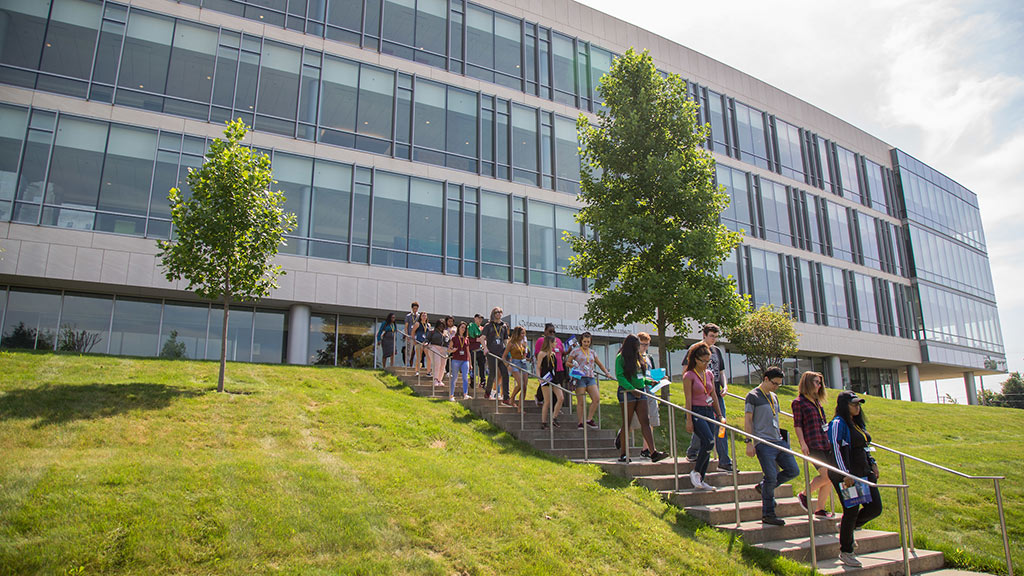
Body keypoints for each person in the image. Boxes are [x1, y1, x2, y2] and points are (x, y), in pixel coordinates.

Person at [829, 391, 882, 568]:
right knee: (851, 511)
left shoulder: (857, 423)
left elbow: (866, 445)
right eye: (853, 404)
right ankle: (846, 550)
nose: (857, 407)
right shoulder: (838, 423)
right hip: (847, 474)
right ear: (844, 405)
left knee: (875, 508)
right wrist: (845, 474)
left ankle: (847, 529)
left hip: (864, 472)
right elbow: (836, 449)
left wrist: (872, 463)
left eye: (858, 404)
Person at [745, 366, 799, 526]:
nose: (776, 387)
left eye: (779, 384)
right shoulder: (753, 396)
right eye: (774, 383)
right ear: (766, 379)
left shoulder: (774, 396)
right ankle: (768, 513)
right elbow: (748, 419)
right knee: (771, 477)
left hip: (778, 440)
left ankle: (763, 488)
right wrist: (750, 442)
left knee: (793, 470)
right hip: (764, 442)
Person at [684, 324, 733, 472]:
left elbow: (721, 372)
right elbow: (687, 370)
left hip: (715, 395)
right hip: (700, 397)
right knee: (704, 430)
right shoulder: (695, 350)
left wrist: (725, 386)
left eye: (716, 336)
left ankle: (724, 460)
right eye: (711, 336)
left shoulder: (717, 351)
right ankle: (693, 451)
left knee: (721, 425)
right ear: (704, 335)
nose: (714, 339)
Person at [614, 334, 668, 463]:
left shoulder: (638, 358)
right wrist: (632, 389)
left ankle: (652, 452)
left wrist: (650, 382)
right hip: (627, 392)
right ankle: (623, 454)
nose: (639, 347)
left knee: (646, 422)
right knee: (627, 422)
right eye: (637, 345)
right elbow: (620, 376)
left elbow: (640, 376)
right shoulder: (620, 358)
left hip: (641, 391)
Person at [792, 371, 834, 518]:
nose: (819, 385)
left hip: (824, 442)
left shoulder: (817, 402)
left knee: (830, 477)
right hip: (812, 443)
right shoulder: (799, 402)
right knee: (826, 474)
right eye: (816, 382)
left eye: (820, 382)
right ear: (808, 383)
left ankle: (820, 509)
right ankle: (804, 494)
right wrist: (802, 443)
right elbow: (797, 425)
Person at [683, 342, 724, 491]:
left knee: (709, 443)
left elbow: (713, 394)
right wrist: (689, 419)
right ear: (695, 359)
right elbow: (687, 399)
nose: (706, 364)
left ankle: (701, 477)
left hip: (709, 411)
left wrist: (719, 414)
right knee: (708, 441)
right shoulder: (689, 375)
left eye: (708, 361)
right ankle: (696, 472)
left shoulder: (709, 374)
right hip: (696, 411)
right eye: (703, 361)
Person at [566, 331, 607, 429]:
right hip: (579, 377)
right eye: (584, 341)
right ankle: (580, 422)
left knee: (596, 398)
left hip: (590, 377)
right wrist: (574, 365)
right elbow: (567, 363)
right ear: (581, 341)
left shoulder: (592, 352)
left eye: (588, 342)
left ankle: (589, 419)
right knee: (581, 401)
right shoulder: (576, 351)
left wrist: (606, 373)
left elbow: (599, 364)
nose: (586, 344)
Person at [536, 335, 565, 430]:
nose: (556, 344)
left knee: (560, 397)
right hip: (546, 378)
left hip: (554, 378)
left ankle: (554, 417)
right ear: (550, 343)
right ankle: (543, 422)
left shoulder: (553, 354)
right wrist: (539, 379)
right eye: (554, 342)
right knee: (547, 401)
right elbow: (538, 367)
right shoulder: (542, 353)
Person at [481, 307, 510, 403]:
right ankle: (488, 392)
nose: (498, 314)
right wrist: (485, 348)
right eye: (496, 312)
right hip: (491, 353)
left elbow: (505, 340)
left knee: (505, 373)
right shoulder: (488, 325)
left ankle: (506, 396)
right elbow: (482, 338)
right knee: (492, 373)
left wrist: (507, 351)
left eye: (500, 312)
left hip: (501, 353)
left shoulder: (504, 326)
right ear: (493, 314)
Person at [533, 324, 565, 406]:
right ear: (545, 331)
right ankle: (539, 398)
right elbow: (537, 354)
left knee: (557, 389)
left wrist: (569, 349)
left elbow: (562, 353)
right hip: (547, 368)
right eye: (550, 331)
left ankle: (555, 409)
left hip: (558, 368)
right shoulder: (541, 340)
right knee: (545, 385)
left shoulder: (558, 340)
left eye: (554, 331)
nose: (552, 333)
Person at [503, 326, 530, 409]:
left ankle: (520, 407)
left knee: (524, 387)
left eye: (524, 333)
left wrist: (527, 357)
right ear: (517, 333)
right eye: (522, 333)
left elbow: (523, 355)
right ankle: (512, 398)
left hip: (523, 364)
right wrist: (507, 365)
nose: (523, 335)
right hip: (515, 363)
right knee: (520, 384)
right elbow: (504, 356)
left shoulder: (522, 343)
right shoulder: (511, 343)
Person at [448, 321, 472, 401]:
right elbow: (448, 350)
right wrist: (453, 350)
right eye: (462, 327)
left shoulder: (466, 339)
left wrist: (470, 362)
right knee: (454, 377)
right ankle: (451, 395)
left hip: (465, 360)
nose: (463, 329)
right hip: (456, 359)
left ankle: (465, 394)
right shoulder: (454, 338)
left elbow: (468, 351)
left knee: (465, 377)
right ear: (458, 328)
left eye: (465, 328)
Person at [427, 319, 448, 387]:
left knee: (442, 364)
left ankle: (440, 379)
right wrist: (426, 343)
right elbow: (427, 339)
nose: (441, 327)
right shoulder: (432, 332)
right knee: (437, 363)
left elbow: (448, 341)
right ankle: (435, 379)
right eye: (440, 325)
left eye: (443, 325)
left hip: (444, 349)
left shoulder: (446, 333)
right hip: (434, 347)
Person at [468, 314, 486, 390]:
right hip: (472, 349)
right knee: (472, 366)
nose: (480, 320)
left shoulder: (482, 328)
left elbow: (484, 338)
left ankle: (483, 381)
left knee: (482, 366)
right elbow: (468, 338)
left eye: (481, 319)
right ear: (475, 318)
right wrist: (476, 340)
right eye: (478, 318)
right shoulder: (470, 326)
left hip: (481, 350)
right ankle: (472, 380)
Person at [412, 311, 431, 376]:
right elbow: (413, 332)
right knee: (419, 357)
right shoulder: (417, 323)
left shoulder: (428, 325)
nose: (424, 316)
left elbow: (429, 334)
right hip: (419, 342)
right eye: (423, 315)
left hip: (426, 343)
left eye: (425, 315)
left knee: (428, 357)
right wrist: (414, 340)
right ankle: (417, 371)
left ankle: (428, 371)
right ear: (420, 316)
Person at [404, 302, 419, 368]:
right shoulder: (408, 316)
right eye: (414, 308)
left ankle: (417, 364)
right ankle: (407, 363)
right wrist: (407, 335)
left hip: (417, 336)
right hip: (410, 335)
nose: (415, 310)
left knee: (417, 351)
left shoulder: (419, 316)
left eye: (416, 308)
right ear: (412, 308)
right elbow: (406, 326)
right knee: (409, 350)